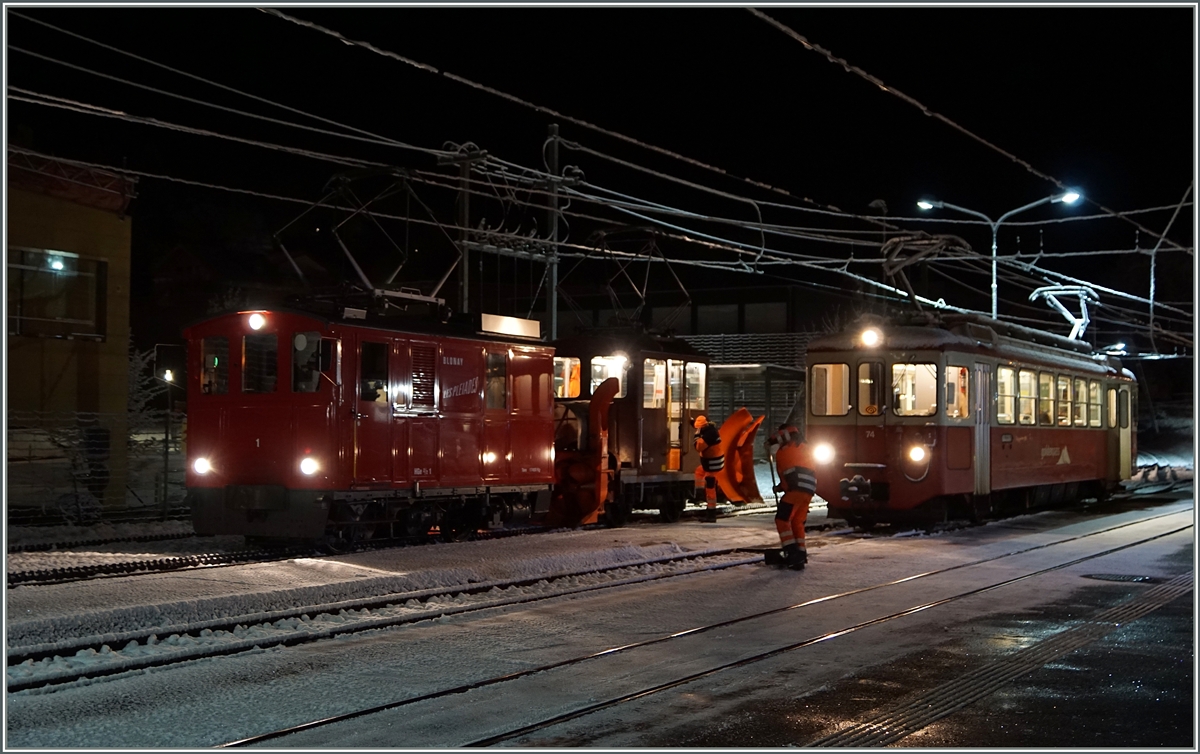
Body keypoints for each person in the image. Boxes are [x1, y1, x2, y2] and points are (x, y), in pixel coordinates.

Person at [765, 424, 816, 570]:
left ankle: (792, 554)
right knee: (797, 522)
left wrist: (770, 443)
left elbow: (789, 471)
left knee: (782, 519)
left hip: (795, 490)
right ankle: (800, 554)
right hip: (808, 490)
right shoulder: (804, 447)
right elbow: (793, 470)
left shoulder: (786, 449)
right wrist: (781, 487)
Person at [692, 415, 723, 523]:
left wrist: (696, 436)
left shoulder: (709, 435)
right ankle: (699, 493)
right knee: (699, 472)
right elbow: (700, 431)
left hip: (712, 465)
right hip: (711, 463)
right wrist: (691, 422)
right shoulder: (709, 430)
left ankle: (711, 514)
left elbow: (698, 446)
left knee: (710, 489)